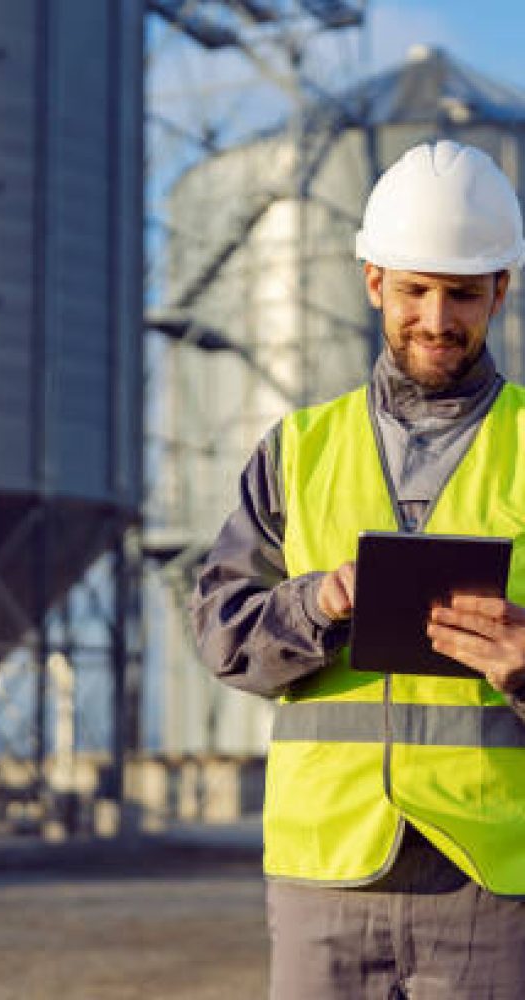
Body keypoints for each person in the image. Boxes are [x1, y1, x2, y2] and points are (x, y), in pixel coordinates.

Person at [190, 140, 525, 999]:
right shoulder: (297, 452)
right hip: (324, 878)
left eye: (462, 294)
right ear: (374, 281)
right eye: (415, 289)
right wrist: (313, 607)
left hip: (493, 882)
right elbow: (221, 634)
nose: (438, 320)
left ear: (502, 291)